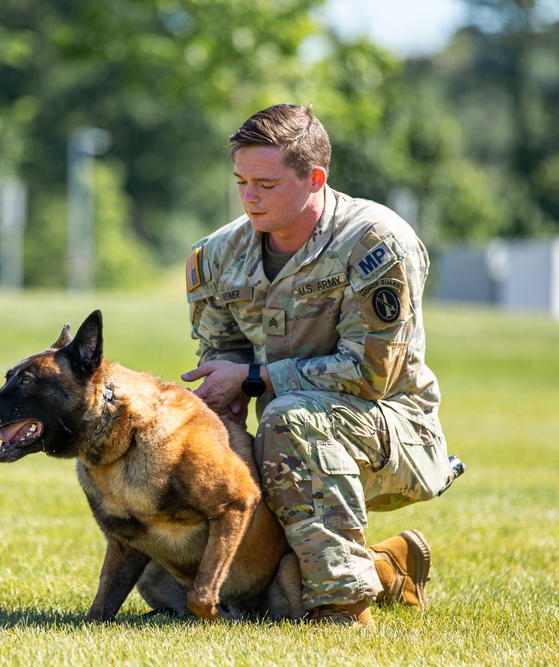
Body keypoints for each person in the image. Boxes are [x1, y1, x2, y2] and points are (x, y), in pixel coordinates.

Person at [182, 103, 452, 628]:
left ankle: (343, 607)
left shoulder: (374, 243)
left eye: (266, 183)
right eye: (241, 182)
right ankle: (389, 565)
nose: (249, 197)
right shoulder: (216, 255)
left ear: (315, 179)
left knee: (287, 420)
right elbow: (222, 355)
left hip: (394, 432)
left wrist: (255, 379)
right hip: (292, 442)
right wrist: (220, 404)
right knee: (206, 462)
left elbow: (372, 374)